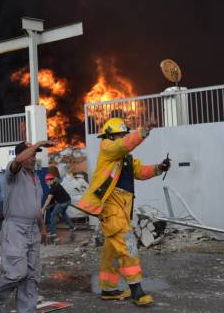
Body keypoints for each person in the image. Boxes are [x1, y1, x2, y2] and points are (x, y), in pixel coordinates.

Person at [77, 117, 170, 306]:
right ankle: (137, 291)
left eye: (124, 134)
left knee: (111, 250)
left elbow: (140, 171)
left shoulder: (125, 157)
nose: (123, 137)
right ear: (110, 135)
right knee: (128, 246)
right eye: (120, 134)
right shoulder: (108, 147)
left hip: (123, 208)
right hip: (112, 206)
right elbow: (123, 146)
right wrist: (143, 131)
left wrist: (159, 168)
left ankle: (108, 289)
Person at [0, 140, 54, 313]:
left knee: (31, 276)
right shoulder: (13, 173)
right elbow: (17, 162)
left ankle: (27, 310)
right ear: (22, 156)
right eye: (30, 155)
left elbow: (35, 208)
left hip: (33, 230)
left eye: (35, 155)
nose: (33, 158)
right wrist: (38, 143)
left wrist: (43, 229)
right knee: (16, 272)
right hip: (15, 228)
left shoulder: (36, 179)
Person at [41, 173, 75, 240]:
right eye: (46, 181)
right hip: (68, 201)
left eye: (47, 181)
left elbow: (48, 199)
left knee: (53, 215)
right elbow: (55, 197)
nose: (46, 183)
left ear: (51, 180)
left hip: (63, 203)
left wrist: (43, 208)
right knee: (63, 214)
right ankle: (72, 227)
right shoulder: (57, 184)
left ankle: (53, 232)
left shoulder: (53, 188)